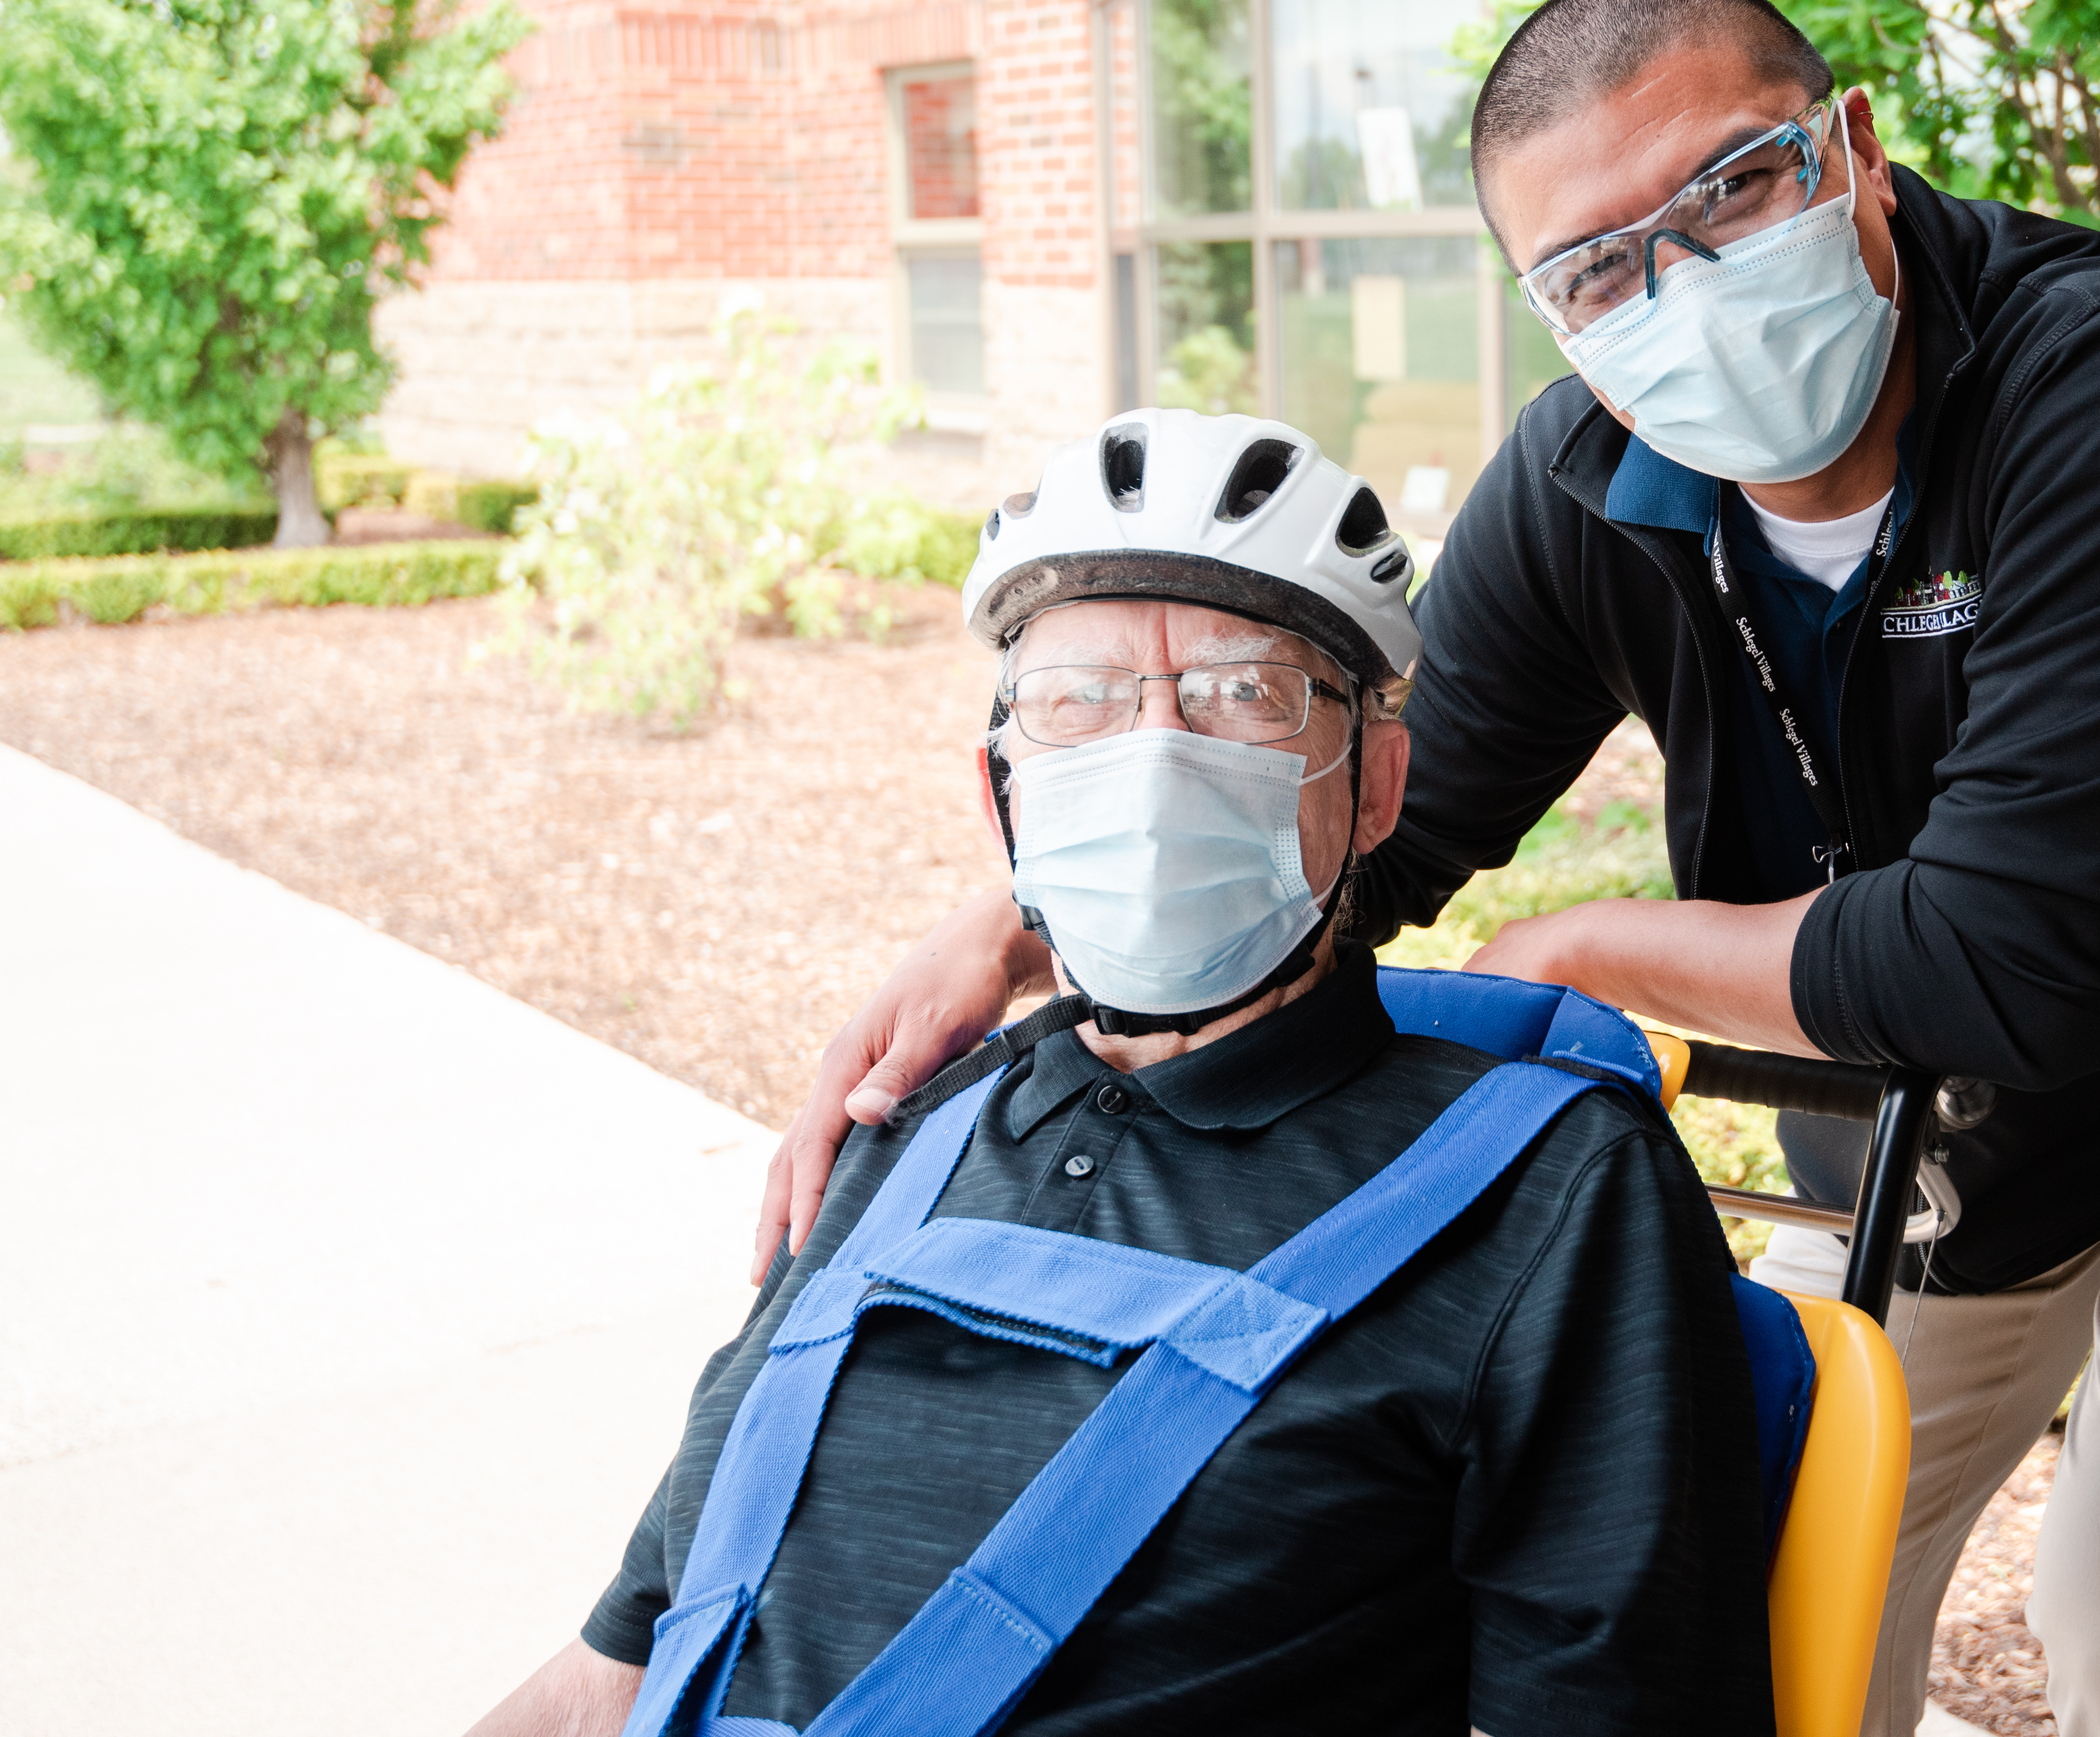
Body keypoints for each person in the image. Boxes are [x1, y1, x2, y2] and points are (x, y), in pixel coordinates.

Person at [762, 0, 2100, 1737]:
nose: (1676, 289)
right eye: (1597, 267)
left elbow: (2020, 956)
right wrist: (1007, 933)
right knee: (1743, 1567)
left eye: (1731, 190)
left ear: (1847, 148)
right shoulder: (1588, 483)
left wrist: (1580, 948)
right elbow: (1367, 812)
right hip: (1954, 1122)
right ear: (1548, 307)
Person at [473, 411, 1775, 1737]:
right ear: (1001, 799)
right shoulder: (903, 1131)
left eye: (1242, 694)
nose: (1155, 756)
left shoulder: (1552, 1194)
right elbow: (613, 1673)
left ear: (1376, 786)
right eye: (1078, 701)